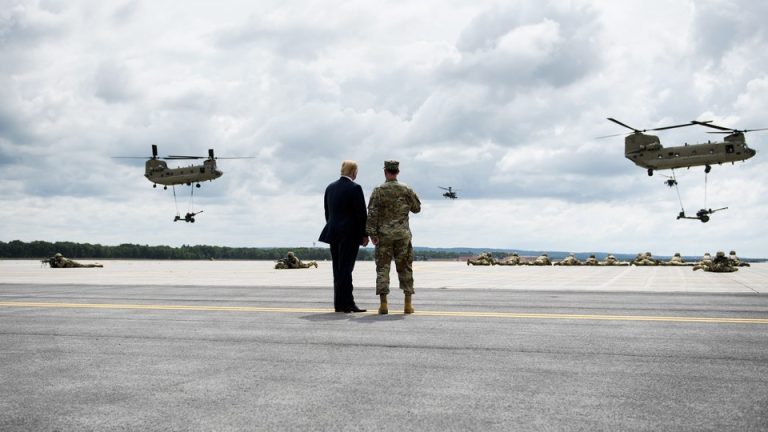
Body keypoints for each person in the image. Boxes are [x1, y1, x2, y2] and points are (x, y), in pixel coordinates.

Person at [367, 160, 421, 315]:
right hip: (402, 235)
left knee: (383, 268)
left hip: (383, 236)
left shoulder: (378, 190)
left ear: (385, 171)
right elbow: (417, 208)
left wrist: (372, 233)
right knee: (405, 267)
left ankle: (384, 305)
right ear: (397, 172)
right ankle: (407, 305)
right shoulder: (406, 189)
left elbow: (372, 214)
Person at [318, 160, 369, 313]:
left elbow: (327, 212)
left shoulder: (330, 187)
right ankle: (348, 304)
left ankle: (339, 304)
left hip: (333, 232)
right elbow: (361, 214)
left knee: (338, 269)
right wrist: (364, 234)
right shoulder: (355, 188)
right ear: (353, 172)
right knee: (346, 269)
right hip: (349, 234)